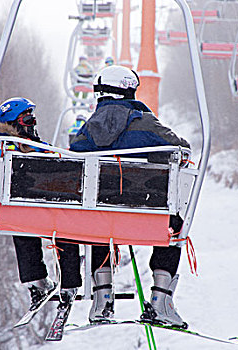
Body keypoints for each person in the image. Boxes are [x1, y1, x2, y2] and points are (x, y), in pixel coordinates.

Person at [70, 65, 190, 328]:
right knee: (176, 225)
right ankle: (161, 301)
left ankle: (102, 299)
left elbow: (75, 156)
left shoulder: (88, 129)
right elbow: (181, 148)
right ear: (128, 90)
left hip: (104, 218)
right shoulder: (144, 122)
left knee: (97, 223)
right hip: (147, 215)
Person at [0, 97, 83, 319]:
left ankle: (36, 281)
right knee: (69, 224)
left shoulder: (2, 145)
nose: (33, 123)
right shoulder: (21, 146)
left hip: (19, 212)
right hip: (41, 207)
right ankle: (68, 284)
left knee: (21, 223)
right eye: (28, 118)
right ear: (14, 123)